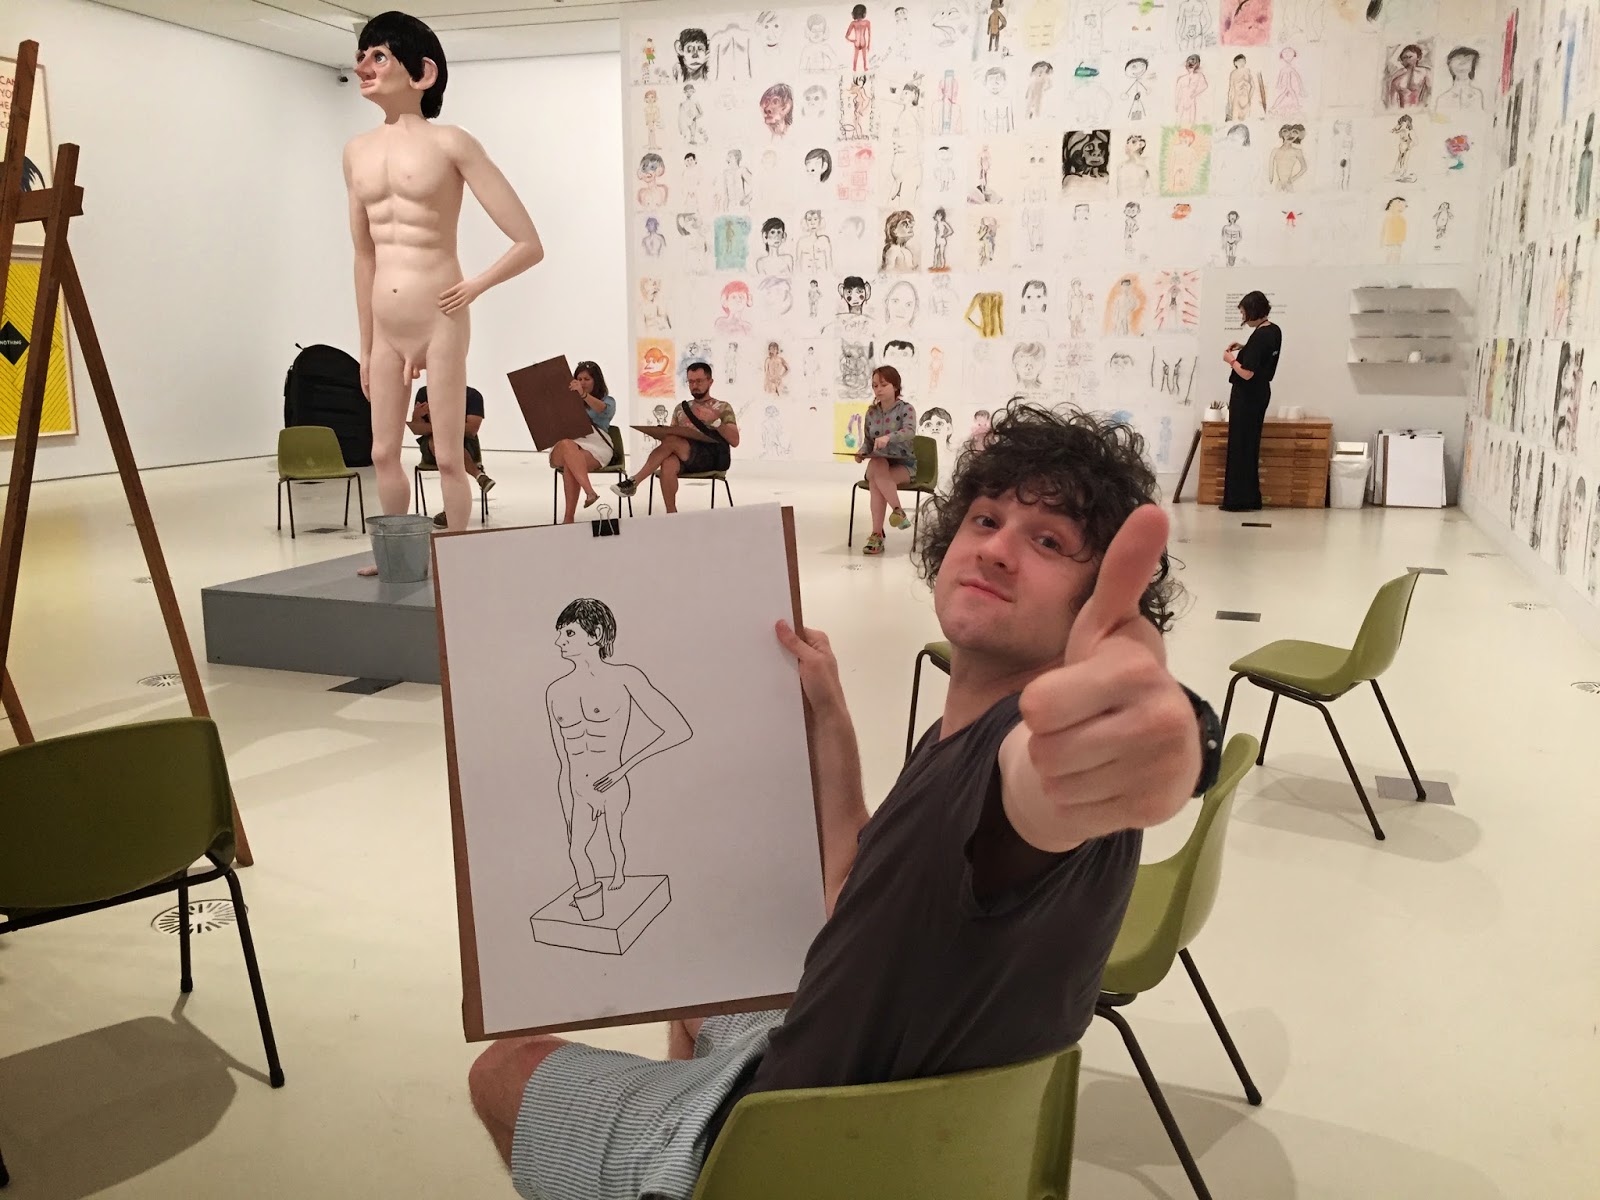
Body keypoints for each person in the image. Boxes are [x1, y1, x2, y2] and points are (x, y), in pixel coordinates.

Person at [467, 403, 1222, 1200]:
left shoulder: (1029, 755)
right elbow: (850, 891)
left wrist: (1174, 741)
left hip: (799, 1147)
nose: (998, 548)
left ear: (1095, 600)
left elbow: (1053, 787)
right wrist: (830, 716)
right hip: (911, 1130)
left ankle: (692, 1171)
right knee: (699, 1001)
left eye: (1049, 542)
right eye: (986, 518)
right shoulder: (957, 736)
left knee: (502, 1070)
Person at [342, 11, 543, 568]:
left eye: (379, 56)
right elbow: (364, 254)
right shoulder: (356, 152)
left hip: (440, 317)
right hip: (386, 326)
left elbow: (528, 242)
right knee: (383, 450)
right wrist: (366, 344)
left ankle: (457, 558)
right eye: (361, 56)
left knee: (449, 454)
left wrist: (474, 286)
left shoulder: (452, 143)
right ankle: (396, 556)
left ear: (423, 72)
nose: (363, 67)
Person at [611, 361, 739, 512]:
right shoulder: (681, 409)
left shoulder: (722, 407)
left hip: (712, 456)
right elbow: (673, 436)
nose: (694, 385)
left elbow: (735, 440)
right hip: (686, 456)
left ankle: (634, 481)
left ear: (710, 381)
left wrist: (715, 421)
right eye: (691, 381)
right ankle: (671, 513)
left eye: (699, 381)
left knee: (671, 442)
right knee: (668, 462)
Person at [1220, 290, 1282, 512]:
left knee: (1240, 446)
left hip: (1247, 396)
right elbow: (1262, 358)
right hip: (1260, 394)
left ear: (1253, 311)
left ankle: (1238, 500)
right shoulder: (1273, 330)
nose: (1243, 318)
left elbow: (1247, 373)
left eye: (1244, 313)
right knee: (1249, 446)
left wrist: (1230, 360)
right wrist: (1245, 348)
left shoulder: (1260, 336)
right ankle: (1251, 497)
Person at [408, 384, 494, 526]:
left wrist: (438, 426)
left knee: (445, 444)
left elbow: (471, 429)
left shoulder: (472, 395)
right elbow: (417, 428)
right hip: (431, 448)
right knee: (439, 441)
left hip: (465, 445)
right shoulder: (424, 392)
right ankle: (478, 475)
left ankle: (451, 513)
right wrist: (418, 415)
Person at [546, 361, 619, 524]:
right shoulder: (567, 400)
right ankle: (590, 491)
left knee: (571, 462)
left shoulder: (608, 400)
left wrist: (583, 395)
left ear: (596, 381)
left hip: (596, 444)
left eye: (587, 379)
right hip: (568, 442)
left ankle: (568, 518)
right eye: (579, 379)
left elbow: (602, 409)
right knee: (567, 446)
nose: (582, 383)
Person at [856, 365, 917, 556]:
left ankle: (876, 535)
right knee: (877, 464)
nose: (879, 389)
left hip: (903, 465)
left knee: (877, 481)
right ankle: (898, 511)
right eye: (875, 386)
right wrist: (861, 452)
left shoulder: (906, 409)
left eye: (883, 385)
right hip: (877, 463)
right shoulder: (871, 412)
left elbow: (909, 431)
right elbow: (868, 441)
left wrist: (889, 438)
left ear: (895, 386)